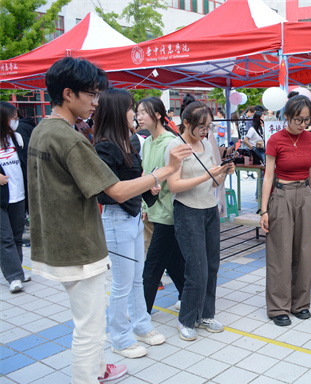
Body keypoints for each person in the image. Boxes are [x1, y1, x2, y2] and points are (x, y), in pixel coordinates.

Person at [27, 57, 191, 384]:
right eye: (91, 93)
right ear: (68, 94)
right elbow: (116, 191)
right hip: (77, 244)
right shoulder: (69, 139)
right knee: (89, 323)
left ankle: (98, 369)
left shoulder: (43, 130)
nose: (96, 101)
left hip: (60, 240)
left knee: (95, 312)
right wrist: (166, 170)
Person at [93, 88, 167, 359]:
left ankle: (141, 325)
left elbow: (137, 180)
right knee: (123, 282)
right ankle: (120, 338)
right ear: (116, 112)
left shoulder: (129, 141)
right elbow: (108, 191)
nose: (134, 114)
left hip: (133, 216)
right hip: (116, 219)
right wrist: (150, 181)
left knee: (137, 277)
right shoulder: (104, 146)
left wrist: (149, 188)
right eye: (130, 109)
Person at [165, 101, 234, 340]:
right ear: (186, 123)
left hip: (209, 209)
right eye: (201, 126)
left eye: (208, 126)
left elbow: (213, 183)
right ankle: (186, 319)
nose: (205, 131)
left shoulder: (205, 144)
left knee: (212, 265)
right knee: (197, 269)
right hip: (187, 211)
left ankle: (206, 315)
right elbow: (174, 185)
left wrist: (223, 172)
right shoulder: (175, 146)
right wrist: (207, 174)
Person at [259, 95, 311, 326]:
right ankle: (277, 308)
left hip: (305, 195)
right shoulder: (276, 140)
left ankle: (301, 304)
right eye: (298, 120)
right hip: (281, 195)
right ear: (286, 117)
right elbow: (268, 176)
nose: (303, 124)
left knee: (304, 251)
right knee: (280, 253)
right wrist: (264, 210)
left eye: (307, 120)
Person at [138, 97, 186, 314]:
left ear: (157, 115)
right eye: (137, 113)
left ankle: (142, 311)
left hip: (169, 211)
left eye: (143, 113)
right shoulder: (147, 142)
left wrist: (157, 183)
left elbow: (174, 175)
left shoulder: (170, 141)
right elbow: (147, 175)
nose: (138, 117)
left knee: (152, 265)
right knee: (172, 261)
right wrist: (145, 207)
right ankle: (188, 296)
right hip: (154, 208)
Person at [0, 102, 28, 293]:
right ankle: (14, 276)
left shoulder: (16, 137)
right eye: (13, 117)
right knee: (5, 238)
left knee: (17, 236)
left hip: (19, 195)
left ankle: (17, 269)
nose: (15, 121)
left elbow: (24, 163)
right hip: (1, 197)